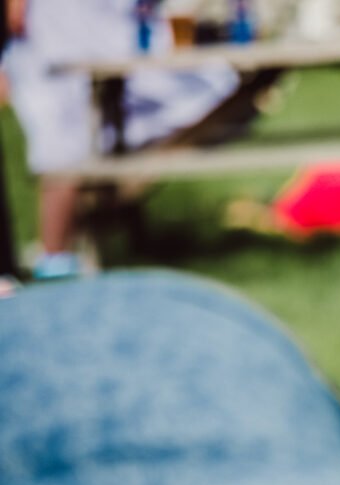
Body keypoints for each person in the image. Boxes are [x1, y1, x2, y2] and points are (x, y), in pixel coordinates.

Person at [1, 0, 237, 279]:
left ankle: (65, 248)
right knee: (63, 124)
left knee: (77, 128)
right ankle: (55, 258)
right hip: (62, 33)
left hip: (106, 33)